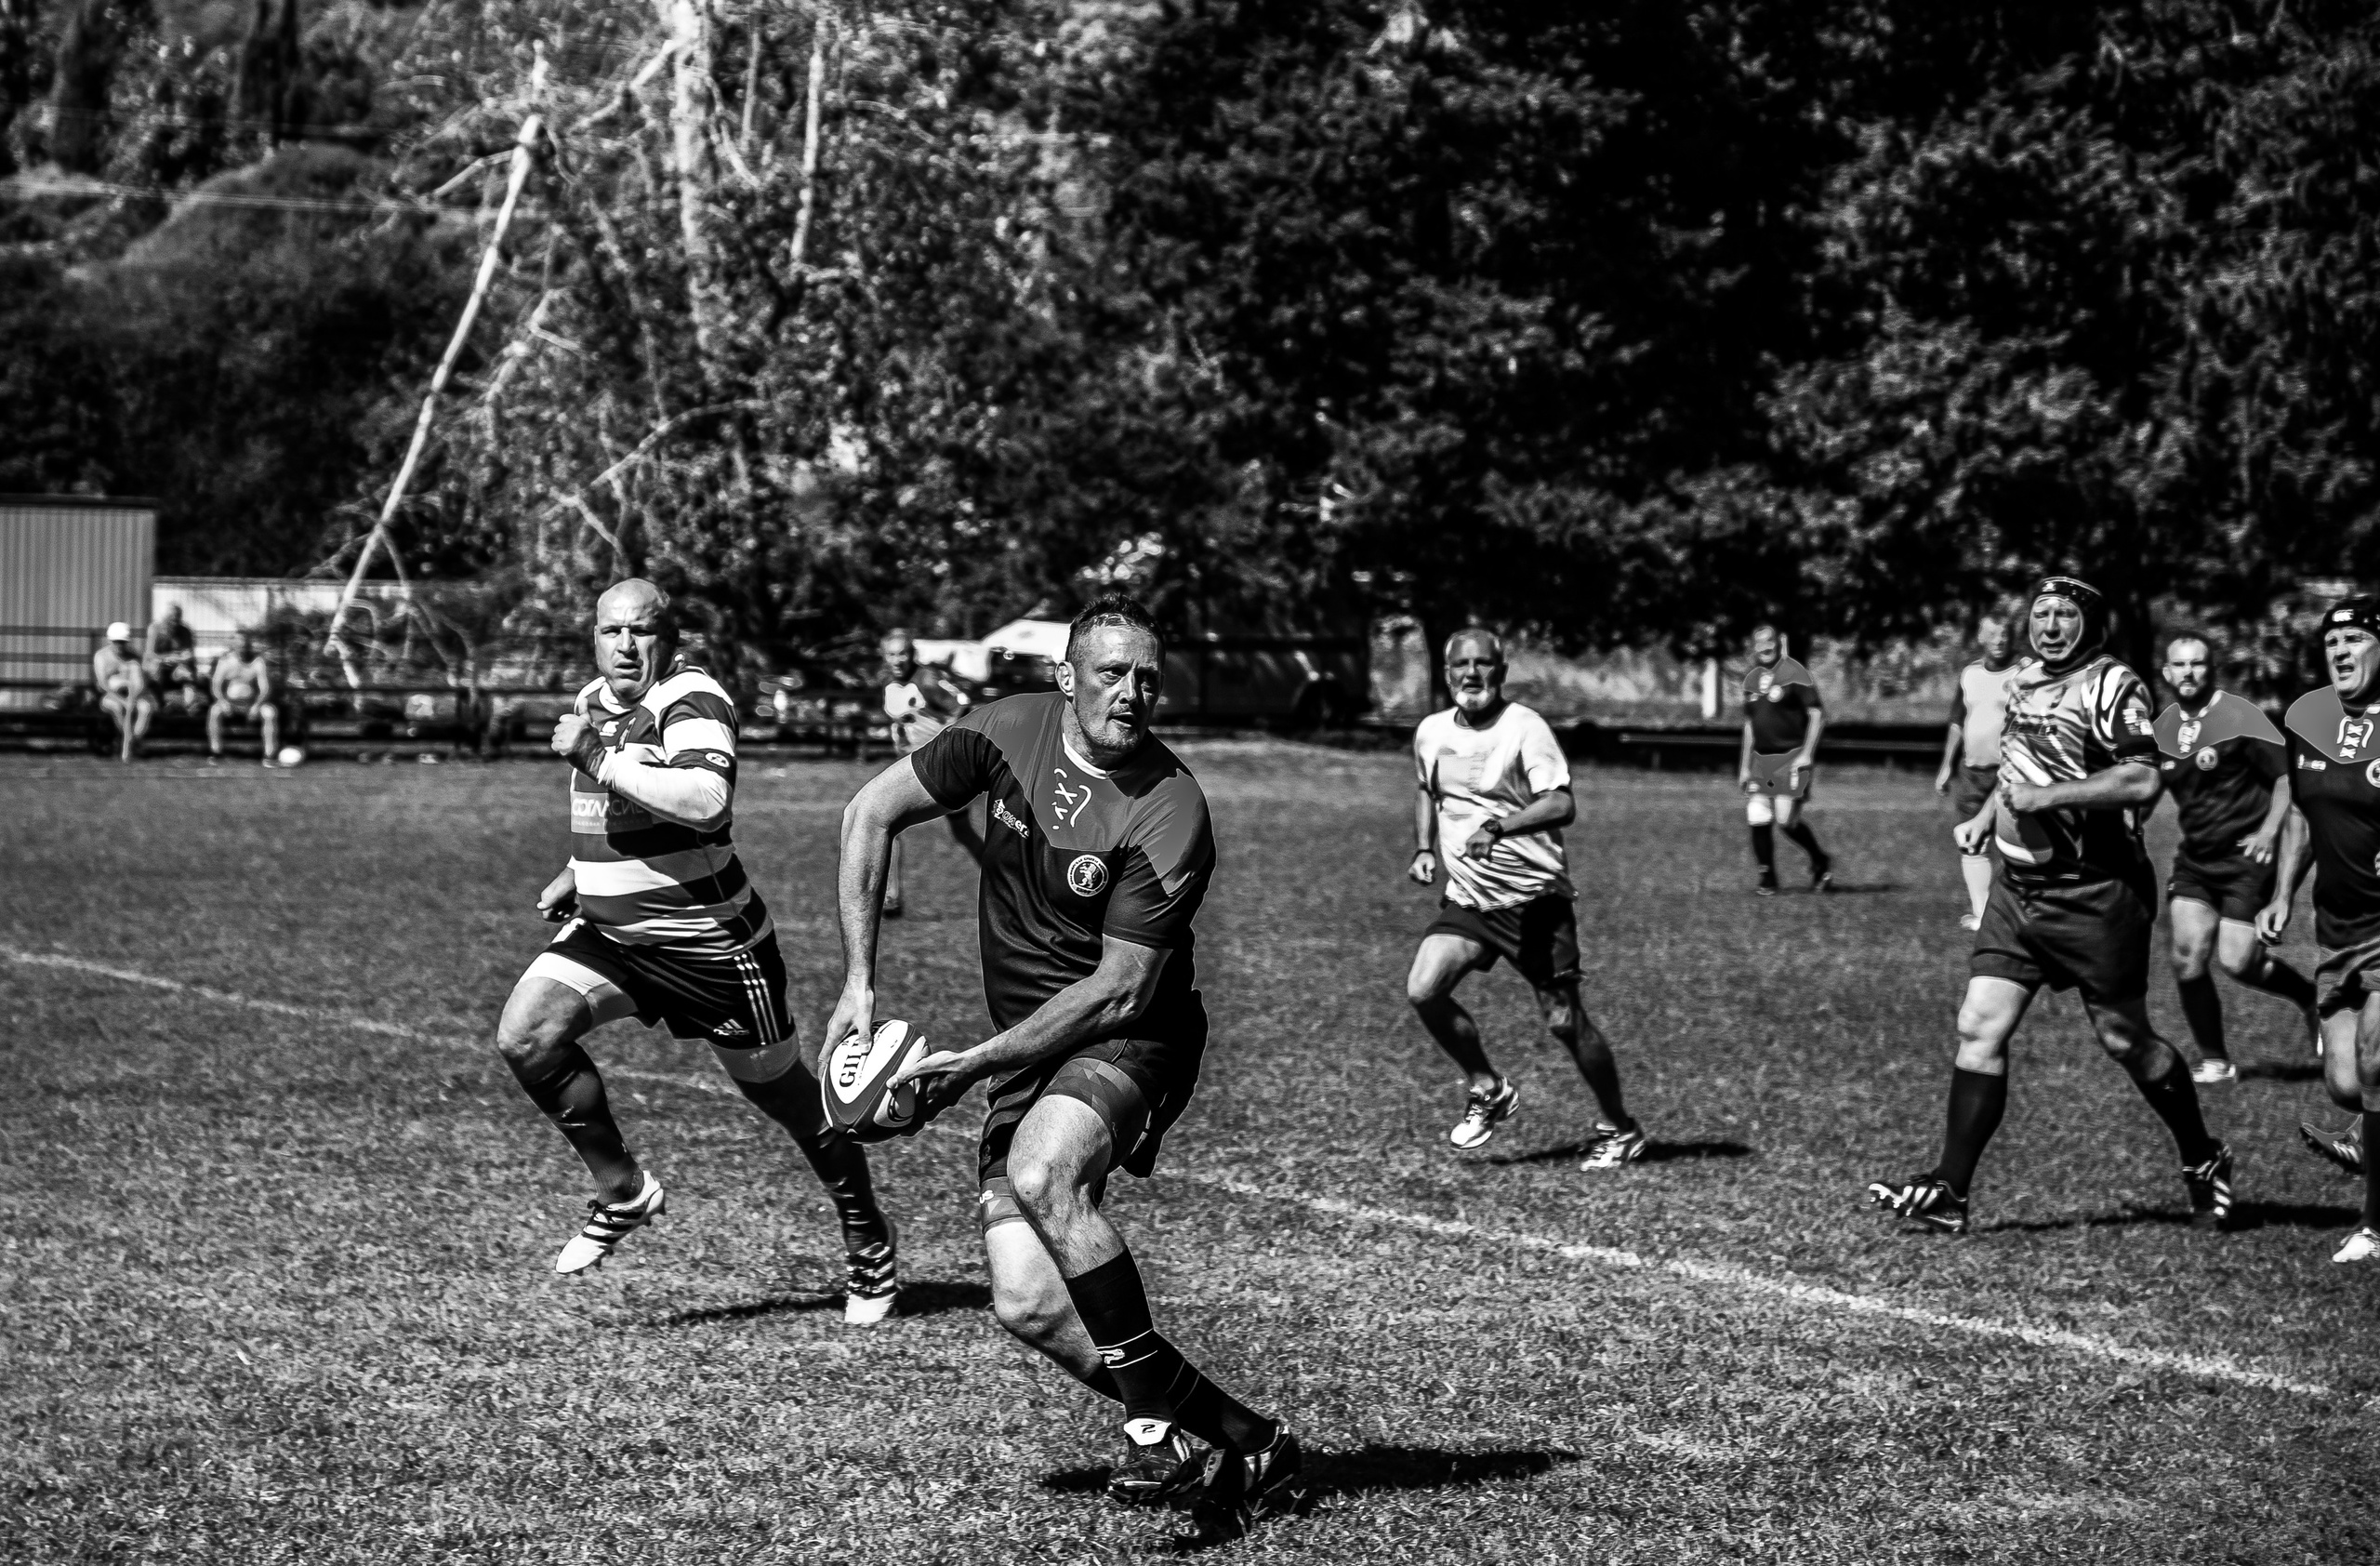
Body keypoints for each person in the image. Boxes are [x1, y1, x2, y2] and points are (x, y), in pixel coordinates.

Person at [824, 592, 1298, 1544]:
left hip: (1135, 1035)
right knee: (1028, 1303)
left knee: (1045, 1171)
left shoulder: (1171, 807)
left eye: (1147, 677)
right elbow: (871, 811)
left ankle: (1161, 1429)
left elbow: (1120, 989)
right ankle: (1248, 1441)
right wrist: (859, 983)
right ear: (1066, 676)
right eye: (1112, 672)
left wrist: (969, 1069)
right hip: (1027, 1043)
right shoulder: (1004, 732)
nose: (1132, 692)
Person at [492, 578, 900, 1321]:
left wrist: (597, 758)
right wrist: (578, 873)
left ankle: (868, 1237)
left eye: (641, 632)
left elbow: (707, 802)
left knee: (789, 1100)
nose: (624, 646)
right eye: (610, 631)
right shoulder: (591, 702)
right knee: (526, 1036)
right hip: (614, 937)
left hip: (710, 948)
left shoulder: (691, 701)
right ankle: (624, 1191)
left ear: (667, 638)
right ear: (593, 635)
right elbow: (614, 811)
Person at [1867, 576, 2234, 1235]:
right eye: (2041, 613)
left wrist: (2050, 801)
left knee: (2125, 1039)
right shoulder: (2025, 678)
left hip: (2095, 892)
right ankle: (1951, 1189)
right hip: (2019, 888)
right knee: (1979, 1023)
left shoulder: (2113, 684)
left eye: (2065, 614)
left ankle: (2201, 1156)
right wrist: (1986, 812)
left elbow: (2143, 776)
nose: (2050, 625)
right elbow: (2018, 765)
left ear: (2089, 625)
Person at [1405, 628, 1645, 1167]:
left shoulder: (1524, 728)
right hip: (1469, 899)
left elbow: (1561, 804)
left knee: (1564, 1020)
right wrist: (1424, 846)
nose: (1472, 674)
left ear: (1502, 670)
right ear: (1446, 675)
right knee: (1424, 989)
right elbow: (1426, 787)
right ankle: (1488, 1087)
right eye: (1461, 665)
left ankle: (1620, 1127)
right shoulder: (1431, 731)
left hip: (1534, 902)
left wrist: (1501, 826)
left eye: (1483, 664)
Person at [2255, 594, 2380, 1262]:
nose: (2340, 651)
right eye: (2333, 642)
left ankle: (2373, 1227)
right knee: (2344, 1083)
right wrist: (2281, 894)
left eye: (2356, 639)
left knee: (2377, 1062)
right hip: (2336, 923)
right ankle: (2368, 1135)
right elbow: (2303, 815)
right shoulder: (2306, 715)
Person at [2151, 634, 2317, 1083]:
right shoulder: (2163, 726)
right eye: (2179, 665)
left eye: (2198, 664)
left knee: (2239, 961)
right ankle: (2215, 1061)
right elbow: (2148, 790)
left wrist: (2267, 831)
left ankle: (2306, 995)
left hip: (2246, 857)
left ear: (2212, 669)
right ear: (2166, 673)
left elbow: (2286, 779)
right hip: (2196, 860)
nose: (2188, 673)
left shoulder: (2240, 715)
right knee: (2186, 958)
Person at [879, 629, 984, 916]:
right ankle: (1005, 883)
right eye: (892, 654)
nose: (898, 660)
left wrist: (945, 742)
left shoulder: (926, 678)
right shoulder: (889, 682)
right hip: (911, 766)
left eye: (903, 653)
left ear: (912, 654)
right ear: (884, 656)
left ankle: (891, 898)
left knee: (889, 824)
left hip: (939, 768)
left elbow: (962, 705)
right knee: (960, 832)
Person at [1936, 614, 2024, 929]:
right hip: (1973, 772)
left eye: (2006, 633)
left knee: (2015, 843)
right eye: (1994, 634)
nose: (2000, 640)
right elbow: (1957, 722)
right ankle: (1982, 912)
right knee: (1970, 841)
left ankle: (2019, 909)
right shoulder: (1969, 674)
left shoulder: (2025, 673)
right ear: (1981, 639)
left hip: (2013, 774)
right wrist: (1946, 765)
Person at [1737, 624, 1833, 894]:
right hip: (1760, 760)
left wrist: (1807, 753)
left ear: (1779, 643)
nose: (1765, 648)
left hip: (1791, 758)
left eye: (1769, 642)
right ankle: (1767, 876)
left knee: (1785, 819)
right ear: (1753, 647)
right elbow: (1749, 725)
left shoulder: (1794, 672)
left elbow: (1817, 714)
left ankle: (1819, 859)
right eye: (1759, 644)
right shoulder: (1751, 679)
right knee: (1756, 814)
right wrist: (1744, 766)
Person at [207, 631, 283, 764]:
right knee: (214, 711)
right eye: (239, 643)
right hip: (230, 703)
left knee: (270, 712)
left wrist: (257, 705)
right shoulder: (224, 661)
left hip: (252, 703)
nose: (242, 646)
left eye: (245, 643)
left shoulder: (258, 662)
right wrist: (222, 702)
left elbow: (265, 689)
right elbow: (216, 686)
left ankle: (269, 755)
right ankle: (216, 752)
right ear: (233, 645)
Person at [92, 622, 154, 763]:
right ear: (110, 641)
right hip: (110, 696)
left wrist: (133, 698)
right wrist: (122, 701)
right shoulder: (101, 657)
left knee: (146, 708)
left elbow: (140, 683)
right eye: (117, 642)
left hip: (134, 696)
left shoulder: (133, 658)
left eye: (122, 642)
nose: (119, 646)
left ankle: (134, 740)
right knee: (115, 707)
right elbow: (103, 684)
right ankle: (132, 741)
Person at [145, 604, 203, 714]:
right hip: (160, 666)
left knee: (187, 673)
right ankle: (160, 704)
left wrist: (184, 657)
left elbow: (189, 653)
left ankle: (190, 706)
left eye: (177, 618)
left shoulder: (185, 631)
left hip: (177, 667)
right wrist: (167, 658)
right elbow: (150, 655)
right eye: (171, 618)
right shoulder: (155, 629)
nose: (174, 621)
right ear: (165, 617)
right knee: (155, 666)